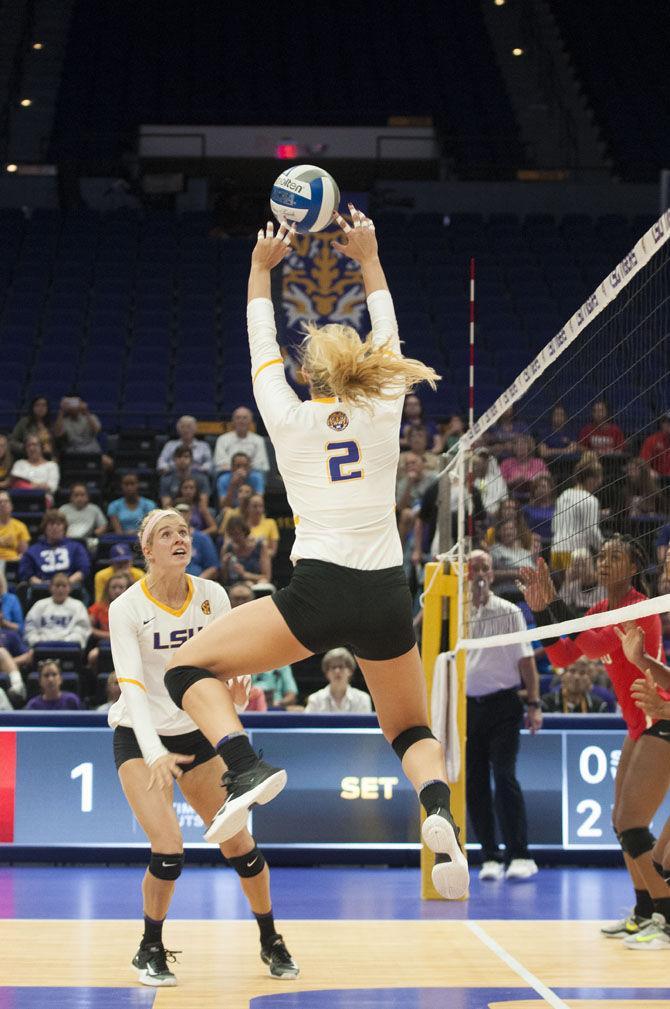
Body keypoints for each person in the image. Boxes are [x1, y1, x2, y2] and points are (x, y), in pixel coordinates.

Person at [162, 209, 469, 901]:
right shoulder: (384, 400)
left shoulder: (288, 414)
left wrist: (260, 268)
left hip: (318, 589)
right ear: (359, 369)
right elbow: (390, 334)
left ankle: (243, 764)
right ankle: (440, 812)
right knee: (411, 727)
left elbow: (258, 342)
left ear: (307, 373)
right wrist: (369, 256)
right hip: (387, 591)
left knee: (186, 669)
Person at [108, 507, 298, 985]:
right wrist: (153, 752)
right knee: (169, 848)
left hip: (196, 734)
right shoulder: (126, 607)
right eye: (166, 533)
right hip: (140, 734)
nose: (180, 539)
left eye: (185, 532)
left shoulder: (212, 595)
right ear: (147, 550)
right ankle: (149, 946)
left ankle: (270, 937)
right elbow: (130, 686)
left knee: (241, 846)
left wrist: (237, 687)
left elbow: (228, 665)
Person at [518, 537, 670, 939]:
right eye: (601, 554)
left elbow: (592, 642)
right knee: (621, 822)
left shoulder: (640, 609)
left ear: (633, 569)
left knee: (631, 822)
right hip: (638, 726)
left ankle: (666, 914)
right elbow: (564, 656)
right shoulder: (600, 609)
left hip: (662, 719)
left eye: (614, 556)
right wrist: (541, 613)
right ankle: (644, 910)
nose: (604, 561)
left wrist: (555, 605)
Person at [466, 550, 541, 882]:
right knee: (475, 784)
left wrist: (535, 705)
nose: (479, 573)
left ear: (493, 574)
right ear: (465, 574)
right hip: (467, 709)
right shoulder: (454, 612)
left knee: (505, 778)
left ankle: (520, 854)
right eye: (473, 568)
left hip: (503, 707)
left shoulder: (509, 611)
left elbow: (527, 661)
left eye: (485, 568)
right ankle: (490, 857)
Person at [551, 460, 603, 571]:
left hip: (556, 550)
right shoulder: (590, 500)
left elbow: (554, 525)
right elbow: (591, 531)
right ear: (590, 479)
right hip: (576, 553)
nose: (599, 483)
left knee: (563, 588)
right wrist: (604, 548)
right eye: (598, 479)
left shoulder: (564, 495)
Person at [18, 510, 90, 590]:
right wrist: (43, 585)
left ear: (64, 527)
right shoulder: (32, 551)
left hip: (71, 589)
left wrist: (64, 584)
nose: (55, 527)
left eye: (58, 524)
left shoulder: (76, 547)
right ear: (45, 528)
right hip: (41, 590)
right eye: (51, 524)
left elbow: (83, 570)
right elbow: (28, 575)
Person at [24, 573, 91, 648]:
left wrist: (67, 642)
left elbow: (82, 629)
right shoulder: (39, 605)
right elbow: (30, 628)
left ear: (70, 588)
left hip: (69, 648)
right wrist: (38, 642)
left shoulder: (78, 606)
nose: (60, 589)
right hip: (43, 647)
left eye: (64, 586)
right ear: (50, 588)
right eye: (57, 586)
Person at [214, 406, 270, 488]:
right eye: (238, 418)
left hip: (251, 473)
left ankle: (257, 500)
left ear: (251, 421)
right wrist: (237, 471)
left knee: (259, 476)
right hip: (229, 473)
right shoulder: (222, 439)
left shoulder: (258, 440)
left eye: (245, 418)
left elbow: (261, 463)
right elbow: (220, 462)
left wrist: (245, 470)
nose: (241, 421)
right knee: (222, 478)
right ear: (233, 421)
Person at [87, 573, 132, 675]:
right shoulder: (99, 607)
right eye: (113, 587)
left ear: (128, 589)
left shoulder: (134, 607)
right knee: (92, 656)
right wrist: (108, 636)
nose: (117, 591)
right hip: (105, 645)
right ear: (107, 589)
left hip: (128, 645)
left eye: (121, 587)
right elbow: (88, 628)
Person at [304, 647, 373, 713]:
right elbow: (307, 724)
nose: (337, 671)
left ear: (350, 671)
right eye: (333, 667)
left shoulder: (363, 699)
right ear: (327, 673)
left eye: (341, 666)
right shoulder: (315, 699)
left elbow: (364, 725)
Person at [219, 516, 272, 589]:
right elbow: (224, 579)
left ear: (245, 531)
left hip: (255, 585)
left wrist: (244, 574)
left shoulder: (260, 546)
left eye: (237, 534)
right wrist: (224, 565)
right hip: (234, 587)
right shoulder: (227, 548)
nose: (235, 538)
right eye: (231, 534)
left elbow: (266, 577)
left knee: (260, 583)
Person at [541, 660, 611, 713]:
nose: (576, 677)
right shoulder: (546, 703)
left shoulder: (599, 706)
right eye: (572, 671)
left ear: (589, 680)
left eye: (582, 673)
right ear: (562, 676)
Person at [172, 502, 219, 580]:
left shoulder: (202, 538)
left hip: (197, 582)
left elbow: (213, 567)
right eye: (179, 513)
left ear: (190, 515)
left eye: (185, 513)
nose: (182, 516)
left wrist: (198, 582)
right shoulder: (168, 540)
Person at [558, 549, 606, 615]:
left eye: (582, 564)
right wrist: (567, 581)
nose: (577, 569)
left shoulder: (604, 584)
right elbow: (561, 606)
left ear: (591, 563)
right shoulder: (574, 586)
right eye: (574, 565)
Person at [522, 473, 555, 546]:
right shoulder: (526, 509)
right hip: (533, 544)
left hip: (555, 543)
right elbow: (522, 528)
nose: (540, 489)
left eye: (543, 487)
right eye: (537, 487)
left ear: (551, 489)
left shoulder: (557, 508)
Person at [0, 490, 30, 563]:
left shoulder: (20, 526)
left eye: (6, 501)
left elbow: (24, 553)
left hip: (12, 563)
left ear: (11, 505)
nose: (2, 504)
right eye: (0, 502)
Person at [247, 494, 280, 559]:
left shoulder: (271, 523)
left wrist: (259, 552)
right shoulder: (242, 524)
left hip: (263, 562)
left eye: (260, 506)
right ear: (248, 508)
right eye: (254, 506)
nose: (258, 509)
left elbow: (273, 551)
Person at [640, 414, 670, 479]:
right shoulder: (652, 440)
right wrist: (650, 472)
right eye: (668, 422)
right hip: (658, 479)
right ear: (662, 424)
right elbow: (644, 462)